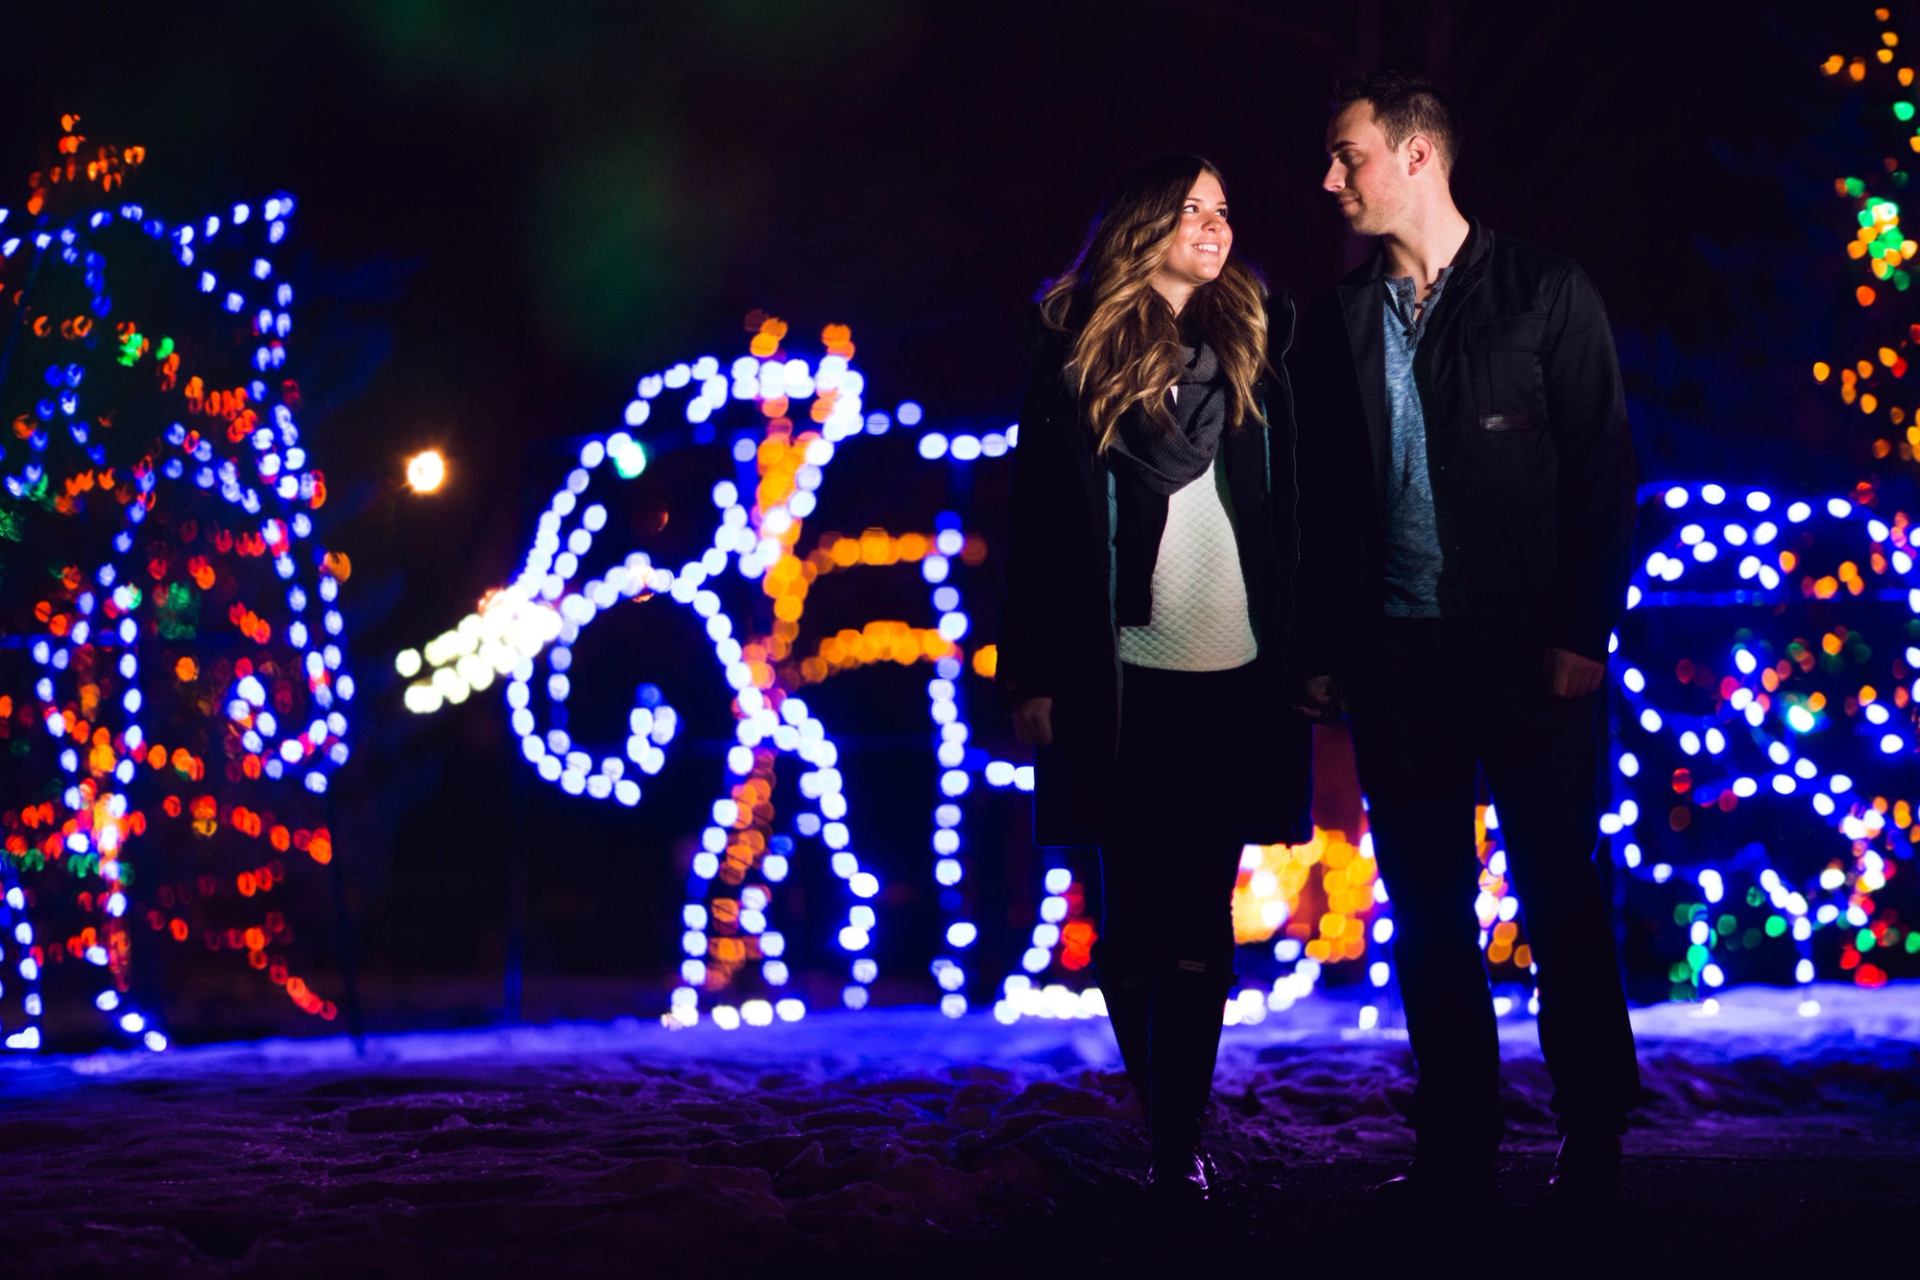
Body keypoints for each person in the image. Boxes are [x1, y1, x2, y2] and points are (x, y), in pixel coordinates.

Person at [1290, 71, 1642, 1207]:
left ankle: (1594, 1136)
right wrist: (1321, 646)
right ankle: (1457, 1140)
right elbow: (1316, 502)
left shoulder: (1543, 292)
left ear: (1418, 156)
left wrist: (1582, 629)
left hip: (1530, 652)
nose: (1330, 178)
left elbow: (1602, 468)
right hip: (1396, 657)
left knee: (1560, 892)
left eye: (1348, 156)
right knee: (1428, 904)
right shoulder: (1332, 320)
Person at [998, 154, 1313, 1202]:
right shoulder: (1073, 355)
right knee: (1128, 921)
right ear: (1141, 224)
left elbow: (1296, 514)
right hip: (1120, 675)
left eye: (1225, 207)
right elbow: (1035, 525)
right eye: (1192, 207)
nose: (1216, 225)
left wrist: (1310, 651)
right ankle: (1164, 1113)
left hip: (1236, 668)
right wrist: (1029, 670)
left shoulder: (1253, 345)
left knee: (1201, 914)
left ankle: (1177, 1139)